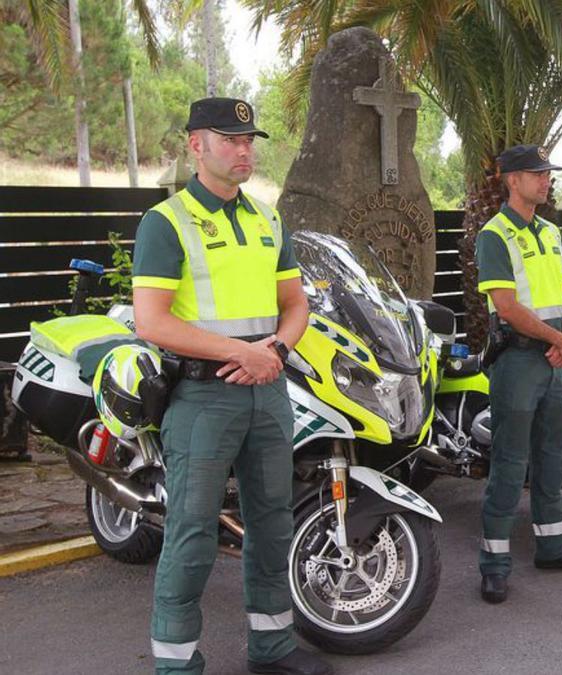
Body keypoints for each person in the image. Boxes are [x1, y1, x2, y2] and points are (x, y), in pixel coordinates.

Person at [131, 98, 328, 674]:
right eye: (230, 139)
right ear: (197, 145)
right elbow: (153, 321)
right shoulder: (167, 222)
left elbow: (295, 305)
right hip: (203, 397)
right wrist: (240, 352)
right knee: (192, 532)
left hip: (267, 390)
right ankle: (176, 663)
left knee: (272, 523)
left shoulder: (268, 219)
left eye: (249, 140)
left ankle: (271, 648)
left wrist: (275, 350)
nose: (245, 150)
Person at [475, 144, 562, 605]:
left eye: (548, 173)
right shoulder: (495, 234)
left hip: (554, 361)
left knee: (553, 457)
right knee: (509, 465)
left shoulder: (550, 231)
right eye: (537, 173)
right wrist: (560, 342)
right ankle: (494, 565)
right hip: (520, 361)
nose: (546, 181)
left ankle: (554, 546)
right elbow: (506, 306)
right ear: (512, 180)